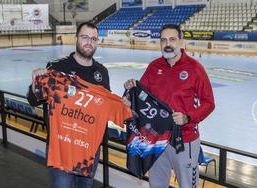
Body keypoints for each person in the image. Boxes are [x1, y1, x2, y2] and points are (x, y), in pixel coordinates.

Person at [123, 24, 215, 188]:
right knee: (156, 184)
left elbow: (209, 103)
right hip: (157, 139)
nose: (168, 43)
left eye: (172, 39)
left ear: (181, 42)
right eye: (163, 40)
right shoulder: (154, 67)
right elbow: (141, 96)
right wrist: (130, 95)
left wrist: (188, 117)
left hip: (185, 140)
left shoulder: (195, 69)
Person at [27, 22, 110, 188]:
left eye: (93, 39)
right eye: (85, 37)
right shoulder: (57, 67)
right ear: (76, 38)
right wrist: (35, 84)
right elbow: (33, 100)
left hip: (89, 149)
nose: (89, 42)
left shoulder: (102, 72)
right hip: (61, 146)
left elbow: (104, 109)